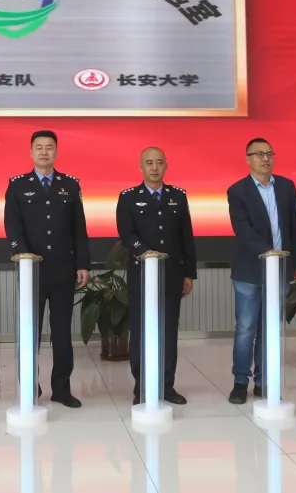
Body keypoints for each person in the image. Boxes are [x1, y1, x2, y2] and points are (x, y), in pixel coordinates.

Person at [4, 130, 90, 408]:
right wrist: (21, 253)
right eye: (39, 147)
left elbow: (79, 228)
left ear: (56, 152)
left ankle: (62, 389)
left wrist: (83, 264)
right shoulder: (17, 185)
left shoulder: (70, 185)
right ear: (31, 152)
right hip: (32, 271)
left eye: (49, 147)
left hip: (64, 270)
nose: (44, 152)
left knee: (62, 334)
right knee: (29, 332)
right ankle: (30, 386)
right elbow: (12, 224)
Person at [225, 138, 296, 404]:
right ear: (247, 159)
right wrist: (268, 252)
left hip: (280, 270)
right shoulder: (237, 190)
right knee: (246, 329)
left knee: (270, 328)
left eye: (269, 153)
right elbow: (242, 229)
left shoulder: (286, 186)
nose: (265, 158)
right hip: (249, 271)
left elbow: (295, 227)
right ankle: (240, 382)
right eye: (259, 154)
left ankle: (263, 382)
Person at [116, 146, 197, 406]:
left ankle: (166, 386)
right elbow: (126, 233)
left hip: (172, 274)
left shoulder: (178, 196)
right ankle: (141, 386)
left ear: (166, 166)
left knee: (168, 332)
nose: (154, 167)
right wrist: (145, 251)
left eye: (159, 162)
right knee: (141, 331)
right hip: (141, 273)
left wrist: (188, 274)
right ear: (140, 167)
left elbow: (186, 238)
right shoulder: (128, 197)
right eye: (149, 162)